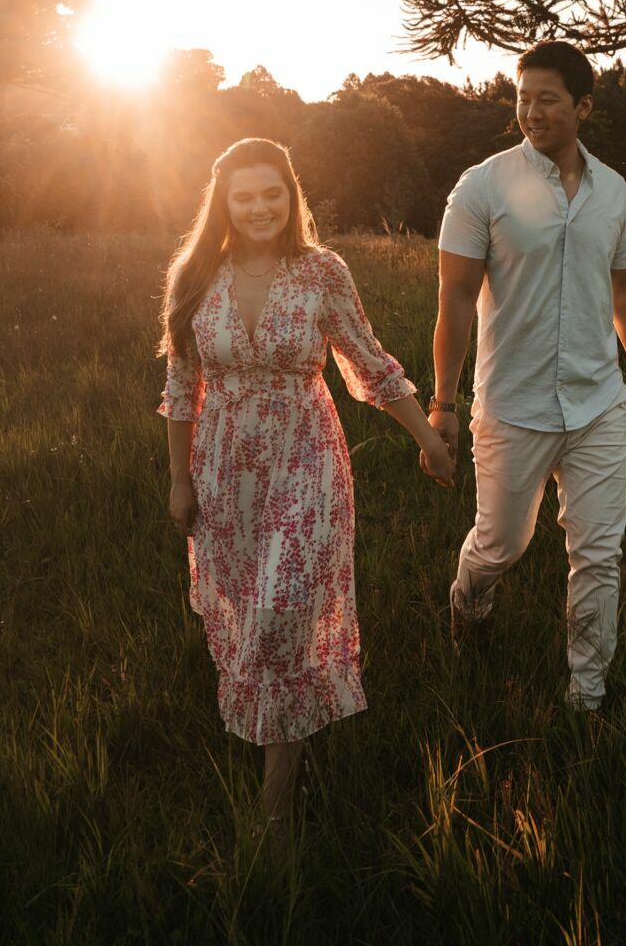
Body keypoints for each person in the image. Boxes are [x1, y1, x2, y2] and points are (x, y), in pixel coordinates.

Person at [158, 137, 455, 827]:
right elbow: (179, 389)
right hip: (225, 468)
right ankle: (282, 737)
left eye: (273, 194)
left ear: (292, 197)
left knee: (280, 610)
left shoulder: (322, 273)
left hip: (306, 460)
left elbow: (371, 364)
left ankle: (275, 807)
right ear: (223, 204)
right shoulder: (196, 277)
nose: (259, 207)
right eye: (244, 196)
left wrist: (429, 440)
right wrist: (179, 481)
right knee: (247, 619)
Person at [427, 40, 626, 711]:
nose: (531, 111)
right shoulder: (483, 187)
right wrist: (442, 402)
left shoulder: (612, 191)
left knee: (598, 555)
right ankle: (470, 601)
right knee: (502, 544)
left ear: (583, 105)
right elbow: (453, 302)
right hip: (512, 405)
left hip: (597, 405)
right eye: (523, 97)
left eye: (547, 99)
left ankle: (586, 697)